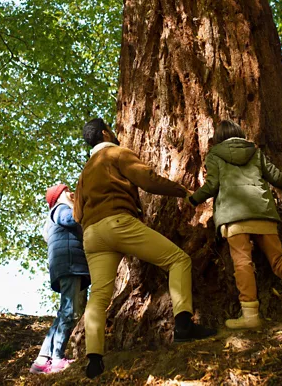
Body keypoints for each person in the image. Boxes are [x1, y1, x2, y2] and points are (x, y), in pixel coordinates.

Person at [74, 118, 216, 379]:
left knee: (99, 296)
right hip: (118, 222)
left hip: (91, 235)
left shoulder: (84, 173)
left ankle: (94, 360)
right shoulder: (116, 153)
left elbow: (77, 214)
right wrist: (181, 190)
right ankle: (183, 326)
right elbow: (148, 181)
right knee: (178, 260)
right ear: (106, 133)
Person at [188, 120, 282, 329]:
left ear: (219, 138)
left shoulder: (215, 155)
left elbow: (212, 185)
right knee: (279, 259)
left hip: (234, 217)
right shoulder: (254, 152)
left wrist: (193, 199)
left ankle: (250, 315)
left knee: (242, 263)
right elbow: (276, 177)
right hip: (262, 213)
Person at [29, 184, 91, 374]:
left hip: (65, 266)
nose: (71, 193)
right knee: (69, 312)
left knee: (63, 312)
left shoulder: (52, 217)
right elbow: (71, 220)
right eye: (67, 191)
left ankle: (41, 361)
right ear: (59, 196)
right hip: (70, 265)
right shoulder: (61, 209)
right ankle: (57, 359)